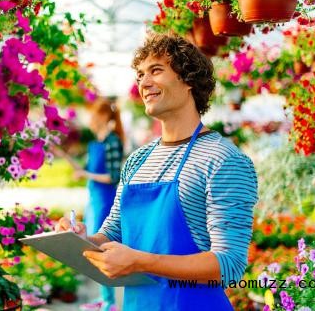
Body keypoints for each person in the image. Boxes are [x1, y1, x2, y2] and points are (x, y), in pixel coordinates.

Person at [56, 33, 258, 310]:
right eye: (140, 75)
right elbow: (113, 231)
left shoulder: (224, 159)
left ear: (188, 78)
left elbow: (229, 265)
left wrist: (140, 261)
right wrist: (80, 240)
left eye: (156, 71)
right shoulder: (137, 160)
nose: (143, 83)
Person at [57, 98, 124, 311]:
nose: (91, 119)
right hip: (94, 200)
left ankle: (110, 302)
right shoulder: (96, 143)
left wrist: (86, 173)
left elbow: (113, 176)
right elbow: (85, 171)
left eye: (94, 115)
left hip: (106, 201)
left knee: (101, 249)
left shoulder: (112, 141)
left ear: (104, 116)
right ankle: (104, 298)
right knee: (89, 248)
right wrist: (63, 155)